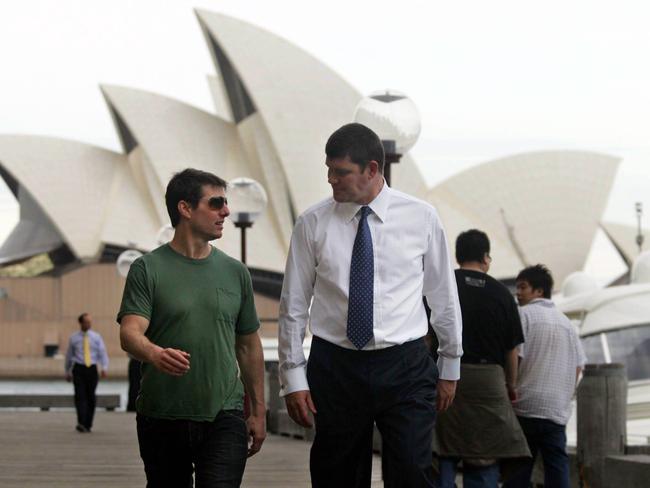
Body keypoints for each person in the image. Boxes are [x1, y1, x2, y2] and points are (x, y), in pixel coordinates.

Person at [278, 123, 463, 488]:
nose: (331, 179)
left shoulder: (421, 218)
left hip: (405, 365)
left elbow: (443, 295)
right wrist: (292, 377)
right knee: (337, 476)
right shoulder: (312, 223)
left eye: (341, 172)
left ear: (373, 169)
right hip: (336, 367)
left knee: (411, 472)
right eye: (329, 170)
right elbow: (293, 305)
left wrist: (450, 364)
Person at [117, 168, 266, 488]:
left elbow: (248, 345)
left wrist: (259, 412)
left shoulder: (236, 272)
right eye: (216, 203)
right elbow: (130, 332)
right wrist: (155, 353)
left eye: (226, 203)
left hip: (225, 414)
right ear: (185, 208)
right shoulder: (147, 269)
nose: (226, 211)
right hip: (162, 415)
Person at [433, 230, 530, 487]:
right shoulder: (502, 294)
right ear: (486, 258)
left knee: (443, 447)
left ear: (457, 256)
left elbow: (425, 338)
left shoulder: (442, 285)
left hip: (446, 376)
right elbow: (512, 349)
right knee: (484, 452)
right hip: (489, 381)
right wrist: (511, 385)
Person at [503, 264, 587, 488]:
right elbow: (579, 367)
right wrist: (565, 395)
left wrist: (510, 385)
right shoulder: (567, 324)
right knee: (556, 466)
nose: (518, 293)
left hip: (525, 405)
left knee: (519, 467)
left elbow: (515, 354)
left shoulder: (523, 315)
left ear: (539, 291)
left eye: (523, 287)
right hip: (555, 410)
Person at [64, 312, 109, 433]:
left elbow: (102, 353)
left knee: (90, 397)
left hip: (92, 369)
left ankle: (88, 423)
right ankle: (81, 422)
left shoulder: (96, 337)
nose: (89, 324)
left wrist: (104, 367)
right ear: (81, 323)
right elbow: (69, 356)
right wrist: (67, 371)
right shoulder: (74, 338)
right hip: (78, 368)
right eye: (86, 322)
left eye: (90, 322)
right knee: (80, 396)